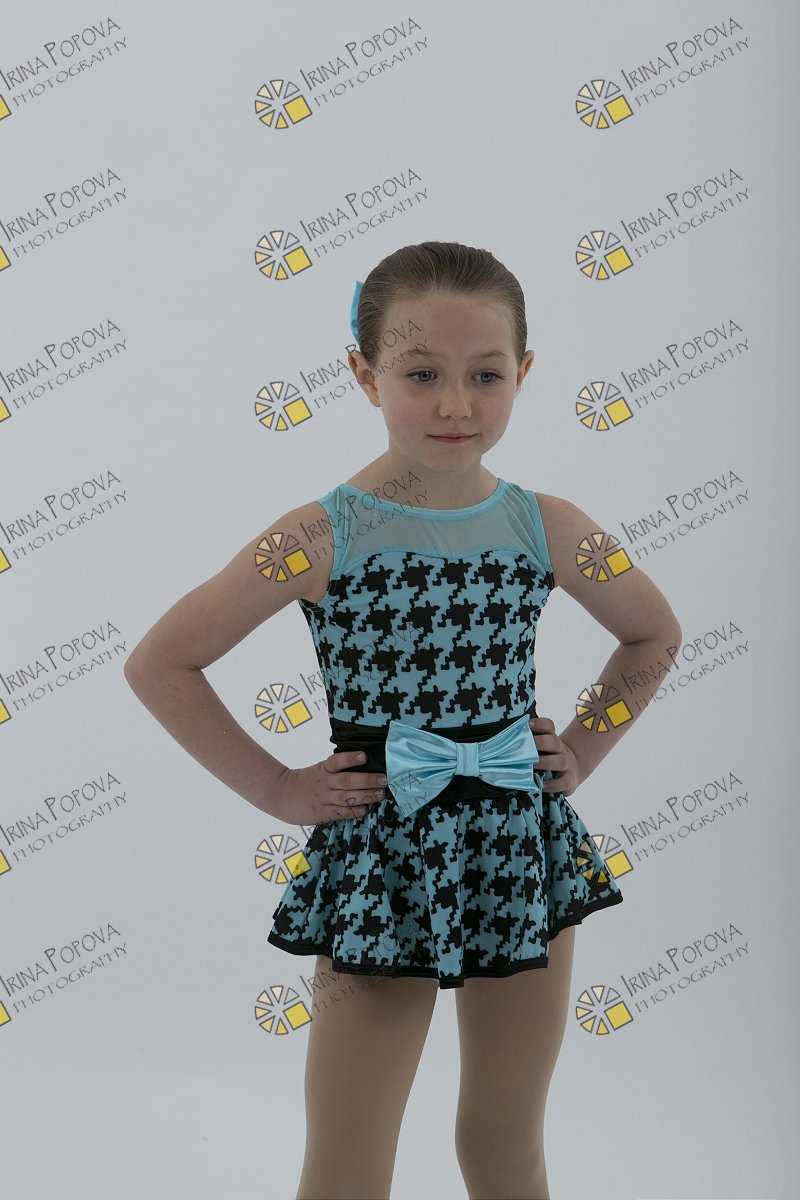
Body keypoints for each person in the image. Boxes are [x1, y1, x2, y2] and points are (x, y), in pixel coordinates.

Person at [124, 241, 682, 1200]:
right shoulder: (319, 535)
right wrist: (278, 788)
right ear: (363, 372)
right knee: (349, 1158)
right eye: (422, 375)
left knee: (504, 1141)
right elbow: (161, 662)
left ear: (524, 373)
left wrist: (584, 749)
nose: (456, 404)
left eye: (486, 375)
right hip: (382, 858)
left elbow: (653, 634)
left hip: (519, 847)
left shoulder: (547, 525)